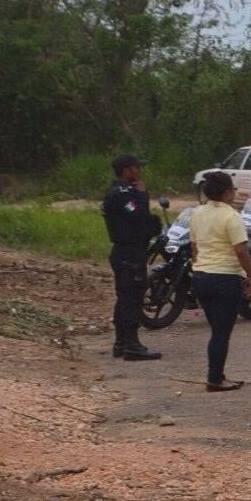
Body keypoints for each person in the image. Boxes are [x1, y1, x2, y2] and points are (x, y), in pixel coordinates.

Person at [189, 171, 251, 391]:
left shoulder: (197, 213)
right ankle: (215, 379)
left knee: (216, 330)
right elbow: (241, 251)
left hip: (201, 277)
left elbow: (194, 248)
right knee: (221, 333)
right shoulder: (232, 216)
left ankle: (217, 375)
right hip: (225, 278)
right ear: (228, 192)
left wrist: (200, 266)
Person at [101, 154, 162, 361]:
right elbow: (137, 215)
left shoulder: (122, 192)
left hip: (129, 251)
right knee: (132, 298)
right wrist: (143, 196)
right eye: (136, 168)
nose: (140, 171)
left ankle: (121, 342)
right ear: (127, 171)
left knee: (125, 297)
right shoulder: (121, 194)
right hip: (128, 251)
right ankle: (131, 344)